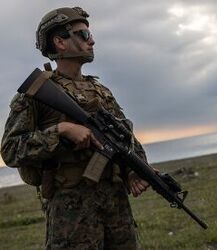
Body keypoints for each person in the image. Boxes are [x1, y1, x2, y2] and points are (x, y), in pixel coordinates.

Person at [1, 6, 149, 250]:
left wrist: (135, 170)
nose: (92, 40)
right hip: (71, 212)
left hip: (115, 204)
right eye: (83, 35)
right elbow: (10, 149)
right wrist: (61, 131)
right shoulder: (37, 93)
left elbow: (126, 139)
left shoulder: (101, 91)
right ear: (60, 42)